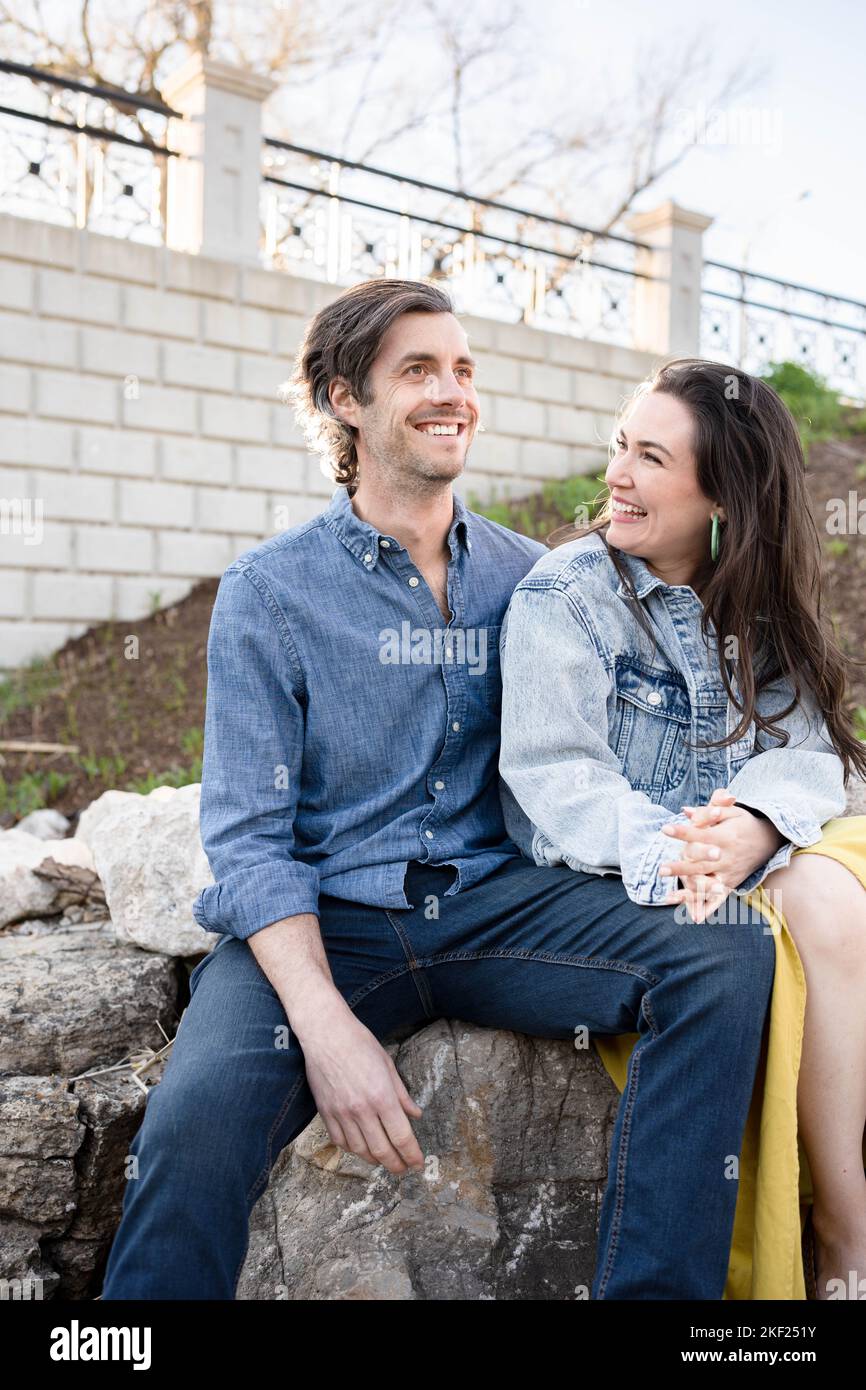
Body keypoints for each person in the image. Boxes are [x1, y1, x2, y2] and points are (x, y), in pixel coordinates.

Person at [101, 280, 777, 1302]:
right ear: (343, 399)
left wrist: (754, 820)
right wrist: (325, 1027)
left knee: (723, 947)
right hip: (329, 918)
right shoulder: (268, 592)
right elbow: (247, 840)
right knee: (191, 1124)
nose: (450, 391)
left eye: (461, 369)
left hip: (495, 902)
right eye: (416, 369)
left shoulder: (536, 577)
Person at [497, 357, 866, 1300]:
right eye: (622, 445)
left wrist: (749, 819)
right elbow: (555, 780)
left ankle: (844, 1221)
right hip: (631, 876)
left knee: (829, 890)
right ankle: (842, 1236)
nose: (617, 474)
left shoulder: (757, 600)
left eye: (652, 457)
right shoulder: (565, 595)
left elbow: (811, 749)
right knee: (796, 913)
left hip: (742, 848)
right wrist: (691, 851)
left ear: (724, 499)